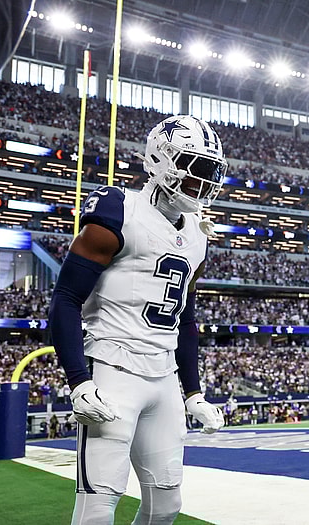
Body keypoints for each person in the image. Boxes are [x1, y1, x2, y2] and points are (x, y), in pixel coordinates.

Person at [49, 115, 227, 525]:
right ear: (162, 159)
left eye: (209, 171)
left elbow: (184, 318)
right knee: (97, 508)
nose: (203, 181)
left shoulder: (198, 234)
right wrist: (79, 381)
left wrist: (193, 393)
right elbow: (66, 298)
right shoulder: (119, 210)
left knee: (166, 506)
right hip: (113, 368)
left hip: (164, 378)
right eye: (195, 167)